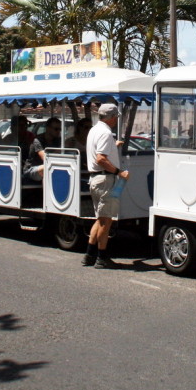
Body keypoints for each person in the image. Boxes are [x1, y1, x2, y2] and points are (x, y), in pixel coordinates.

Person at [82, 103, 129, 269]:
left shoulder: (95, 130)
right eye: (116, 117)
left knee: (100, 218)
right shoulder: (106, 133)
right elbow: (100, 159)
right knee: (106, 221)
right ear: (112, 117)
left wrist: (113, 147)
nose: (117, 119)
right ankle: (101, 257)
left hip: (96, 179)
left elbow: (98, 153)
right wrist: (119, 172)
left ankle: (89, 255)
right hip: (105, 179)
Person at [24, 116, 63, 182]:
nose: (58, 131)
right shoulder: (37, 140)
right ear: (48, 128)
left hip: (50, 167)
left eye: (60, 129)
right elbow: (46, 158)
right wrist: (60, 150)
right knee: (47, 168)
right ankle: (46, 192)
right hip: (31, 169)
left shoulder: (58, 140)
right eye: (56, 129)